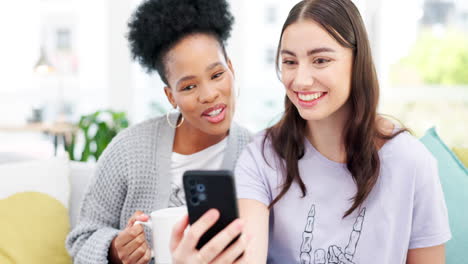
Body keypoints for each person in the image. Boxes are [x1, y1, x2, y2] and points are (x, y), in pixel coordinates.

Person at [233, 0, 452, 263]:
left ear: (357, 61)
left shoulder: (412, 163)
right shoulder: (262, 156)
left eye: (320, 60)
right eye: (290, 61)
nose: (300, 80)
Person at [65, 0, 251, 263]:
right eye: (188, 87)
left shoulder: (257, 155)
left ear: (231, 69)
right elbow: (81, 240)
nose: (209, 95)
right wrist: (115, 250)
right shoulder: (129, 150)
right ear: (170, 95)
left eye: (217, 75)